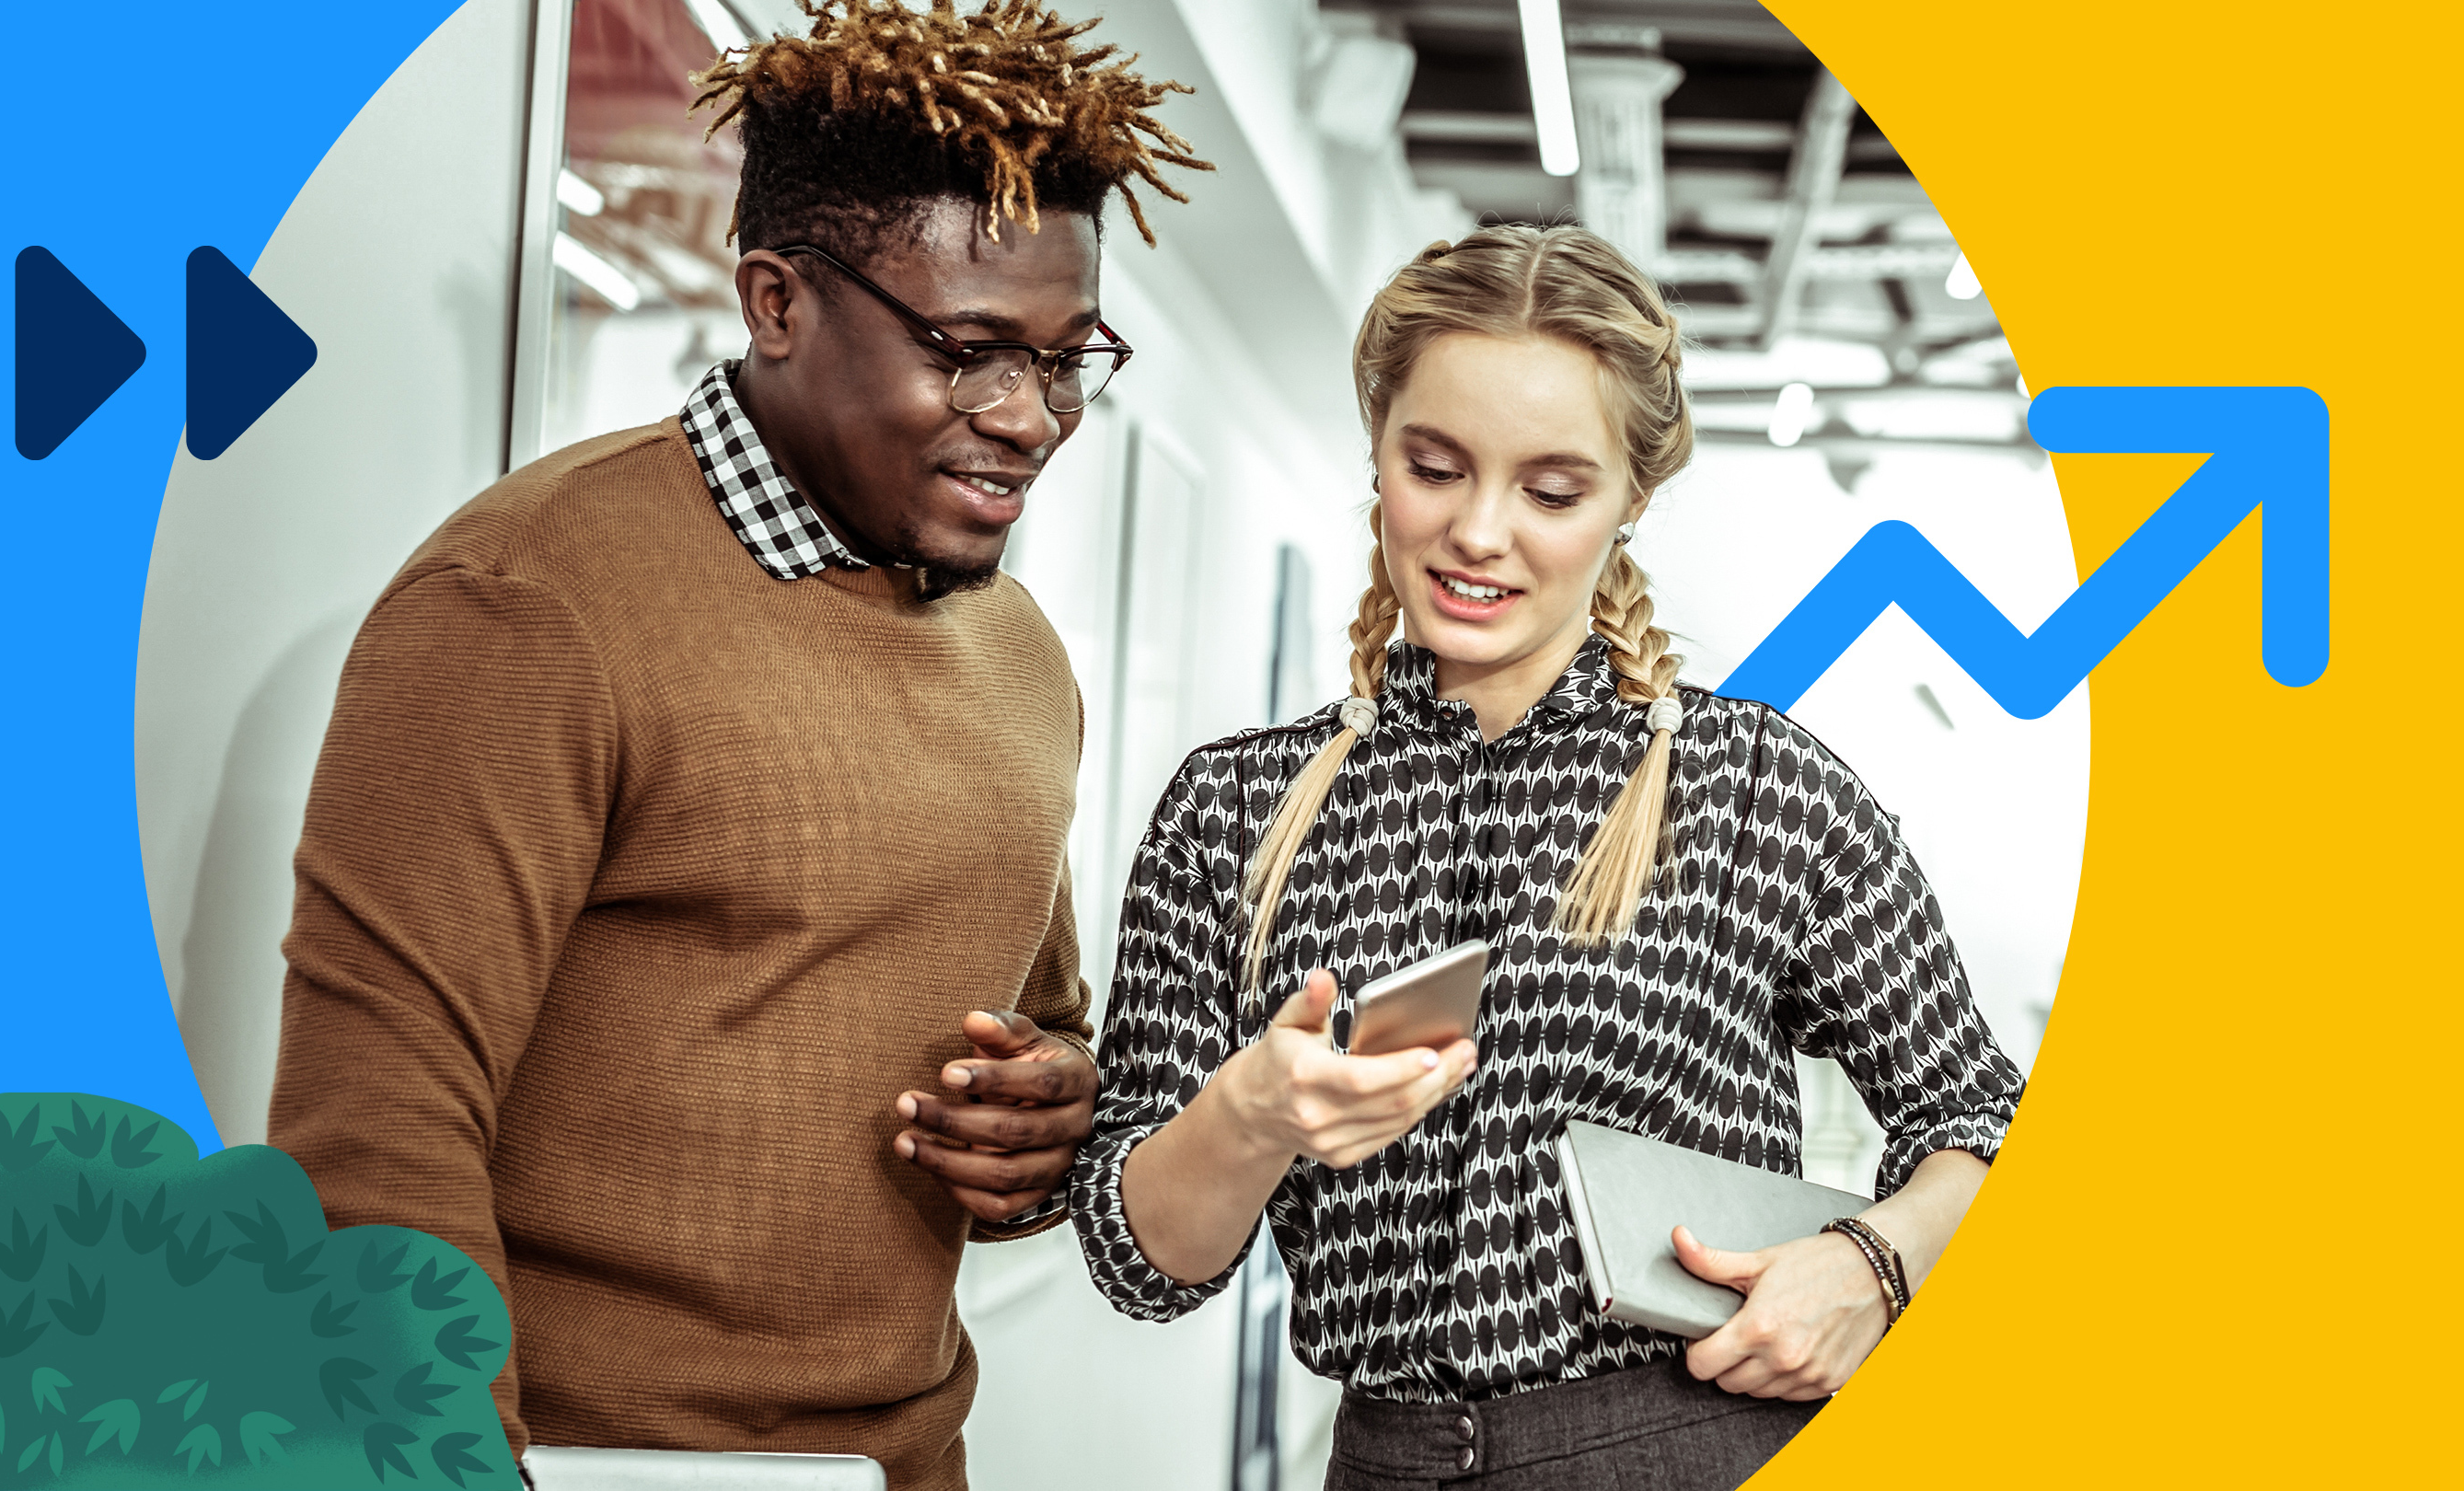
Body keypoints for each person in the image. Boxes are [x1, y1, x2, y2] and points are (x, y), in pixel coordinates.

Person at [264, 5, 1209, 1487]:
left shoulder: (1020, 653)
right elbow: (372, 1140)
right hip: (583, 1464)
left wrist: (1050, 1115)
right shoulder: (525, 602)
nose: (1031, 419)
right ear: (777, 302)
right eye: (970, 354)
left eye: (1066, 359)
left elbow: (1043, 1030)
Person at [1070, 224, 2026, 1489]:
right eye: (1434, 467)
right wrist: (1251, 1115)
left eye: (1553, 491)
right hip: (1385, 1462)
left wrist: (1877, 1265)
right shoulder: (1230, 810)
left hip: (1695, 1446)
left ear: (1632, 501)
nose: (1478, 531)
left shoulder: (1756, 790)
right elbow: (1144, 1266)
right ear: (1378, 450)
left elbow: (1984, 1120)